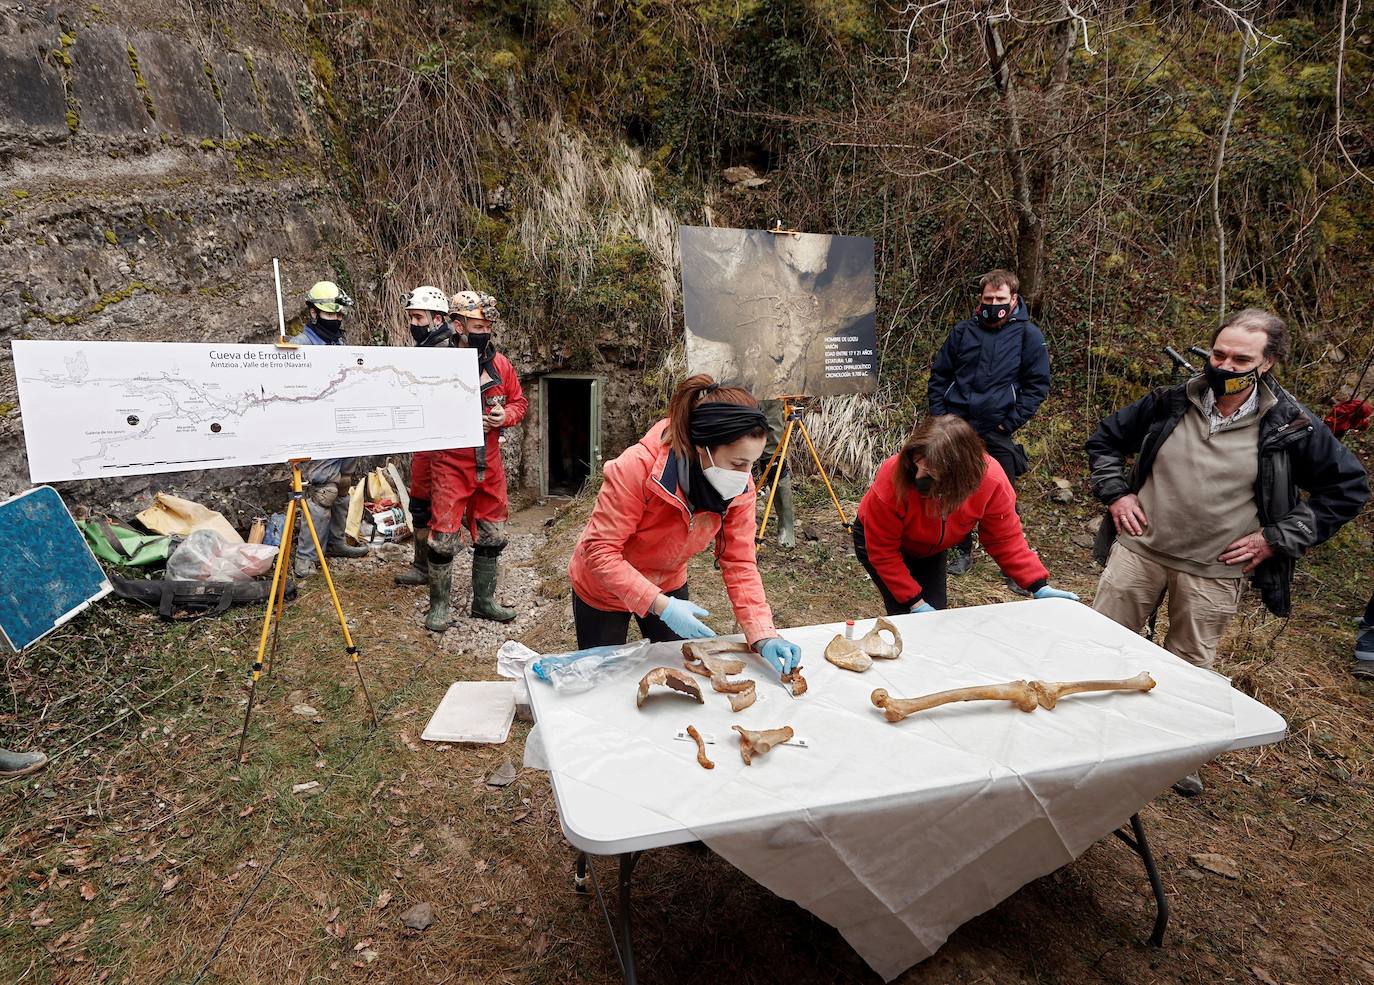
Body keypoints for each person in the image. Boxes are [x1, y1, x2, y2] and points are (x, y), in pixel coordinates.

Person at [1087, 307, 1368, 793]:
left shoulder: (1290, 426)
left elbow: (1347, 489)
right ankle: (1087, 734)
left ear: (1268, 364)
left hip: (1215, 568)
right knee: (1101, 646)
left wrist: (1275, 538)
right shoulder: (1171, 402)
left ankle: (1176, 755)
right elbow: (1106, 441)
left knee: (1189, 665)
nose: (1226, 366)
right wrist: (1118, 492)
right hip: (1140, 549)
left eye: (1242, 359)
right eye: (1219, 354)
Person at [567, 375, 802, 678]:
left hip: (668, 581)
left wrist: (762, 632)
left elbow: (740, 561)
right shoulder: (637, 467)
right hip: (604, 589)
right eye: (738, 464)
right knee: (601, 680)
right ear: (702, 447)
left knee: (677, 675)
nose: (746, 476)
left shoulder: (738, 489)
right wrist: (660, 605)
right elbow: (599, 551)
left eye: (751, 464)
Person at [853, 414, 1077, 613]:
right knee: (907, 617)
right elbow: (883, 551)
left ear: (958, 476)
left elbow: (1004, 538)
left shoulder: (992, 482)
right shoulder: (894, 476)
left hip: (931, 549)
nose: (919, 475)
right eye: (917, 465)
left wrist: (1038, 585)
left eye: (930, 471)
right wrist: (915, 602)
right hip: (879, 543)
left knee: (936, 616)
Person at [417, 290, 528, 631]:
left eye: (488, 325)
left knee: (493, 533)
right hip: (451, 462)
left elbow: (519, 404)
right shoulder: (436, 363)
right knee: (444, 537)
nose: (485, 332)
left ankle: (483, 602)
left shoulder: (501, 365)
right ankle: (439, 607)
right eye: (478, 325)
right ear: (458, 324)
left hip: (490, 461)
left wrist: (503, 416)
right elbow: (418, 409)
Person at [928, 268, 1050, 577]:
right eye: (988, 298)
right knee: (950, 489)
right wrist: (941, 416)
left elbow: (1037, 385)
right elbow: (940, 374)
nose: (993, 303)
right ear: (980, 299)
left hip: (996, 428)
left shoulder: (1028, 336)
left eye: (1000, 298)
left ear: (1014, 299)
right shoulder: (963, 332)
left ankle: (1014, 567)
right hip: (956, 426)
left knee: (1003, 496)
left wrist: (1007, 423)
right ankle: (959, 551)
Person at [292, 281, 369, 577]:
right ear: (312, 312)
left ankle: (336, 542)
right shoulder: (300, 346)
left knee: (344, 484)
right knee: (324, 491)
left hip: (344, 427)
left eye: (339, 315)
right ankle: (307, 557)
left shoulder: (338, 344)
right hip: (317, 429)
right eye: (329, 314)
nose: (336, 319)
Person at [394, 285, 456, 588]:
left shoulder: (451, 353)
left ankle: (436, 570)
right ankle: (421, 566)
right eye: (412, 318)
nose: (414, 324)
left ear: (438, 319)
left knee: (441, 510)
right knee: (419, 505)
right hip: (423, 443)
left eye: (419, 318)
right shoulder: (424, 350)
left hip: (445, 449)